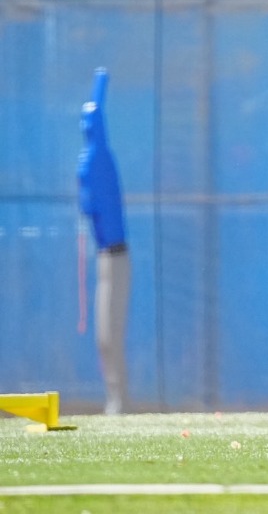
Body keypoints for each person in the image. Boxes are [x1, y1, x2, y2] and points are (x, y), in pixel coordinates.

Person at [77, 68, 130, 415]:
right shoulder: (90, 161)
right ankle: (113, 397)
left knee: (111, 333)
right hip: (103, 257)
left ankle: (118, 400)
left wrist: (102, 83)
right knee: (102, 335)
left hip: (116, 257)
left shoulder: (100, 161)